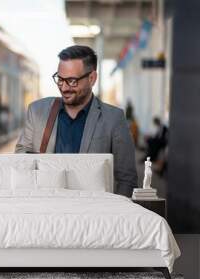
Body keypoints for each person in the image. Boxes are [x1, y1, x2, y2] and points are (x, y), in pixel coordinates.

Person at [15, 45, 138, 197]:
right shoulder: (37, 111)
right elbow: (20, 161)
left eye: (72, 81)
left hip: (93, 214)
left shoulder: (114, 119)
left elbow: (127, 179)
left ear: (92, 78)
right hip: (46, 209)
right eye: (60, 79)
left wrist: (112, 215)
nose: (64, 87)